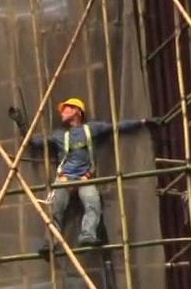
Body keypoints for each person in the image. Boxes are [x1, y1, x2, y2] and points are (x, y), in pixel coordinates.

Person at [10, 98, 160, 254]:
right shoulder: (59, 136)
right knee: (55, 211)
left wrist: (143, 122)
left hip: (84, 177)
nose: (62, 112)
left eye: (66, 109)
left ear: (77, 111)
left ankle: (87, 235)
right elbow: (33, 143)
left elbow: (116, 127)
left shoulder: (91, 129)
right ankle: (50, 243)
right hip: (64, 178)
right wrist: (21, 124)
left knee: (92, 203)